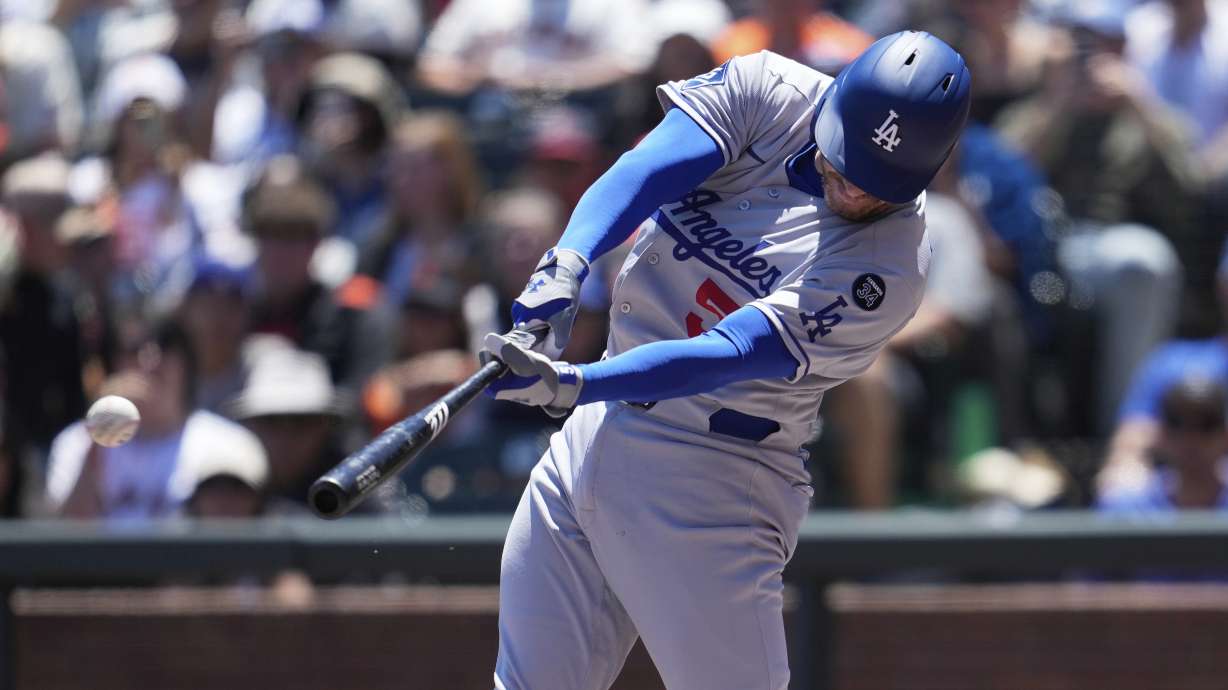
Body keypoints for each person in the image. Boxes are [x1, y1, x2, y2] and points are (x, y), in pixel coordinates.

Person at [479, 31, 970, 689]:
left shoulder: (888, 267)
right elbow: (645, 170)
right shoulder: (768, 89)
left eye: (878, 183)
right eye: (849, 161)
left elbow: (731, 351)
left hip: (713, 479)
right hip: (590, 439)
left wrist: (578, 383)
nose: (855, 192)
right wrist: (564, 264)